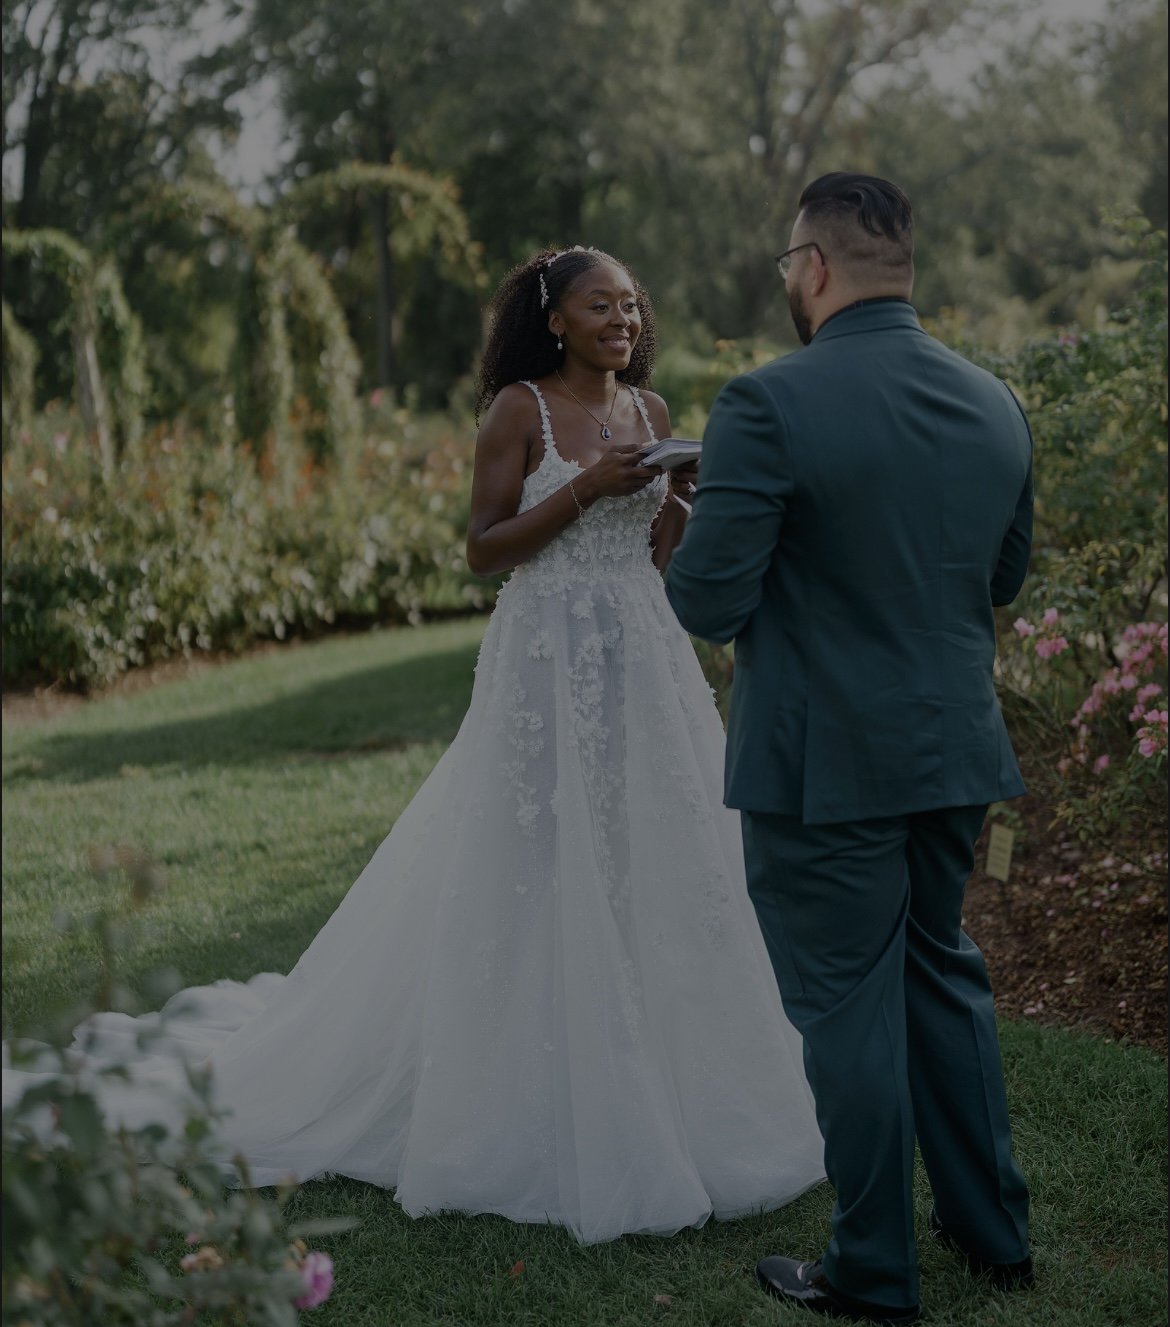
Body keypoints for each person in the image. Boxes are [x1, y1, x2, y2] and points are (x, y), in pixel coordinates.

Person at [3, 245, 825, 1246]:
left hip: (642, 657)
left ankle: (671, 1067)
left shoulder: (651, 415)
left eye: (632, 305)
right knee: (533, 854)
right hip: (543, 652)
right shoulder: (517, 410)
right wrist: (586, 489)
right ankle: (521, 1075)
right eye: (599, 305)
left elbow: (655, 553)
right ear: (553, 319)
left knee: (652, 851)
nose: (622, 320)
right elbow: (482, 550)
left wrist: (674, 503)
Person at [665, 174, 1035, 1322]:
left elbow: (710, 602)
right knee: (942, 976)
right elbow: (1002, 581)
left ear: (813, 267)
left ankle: (873, 1272)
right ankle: (995, 1236)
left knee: (845, 1009)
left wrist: (703, 500)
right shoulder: (995, 402)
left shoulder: (765, 405)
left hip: (824, 769)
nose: (788, 283)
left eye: (787, 266)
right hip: (955, 750)